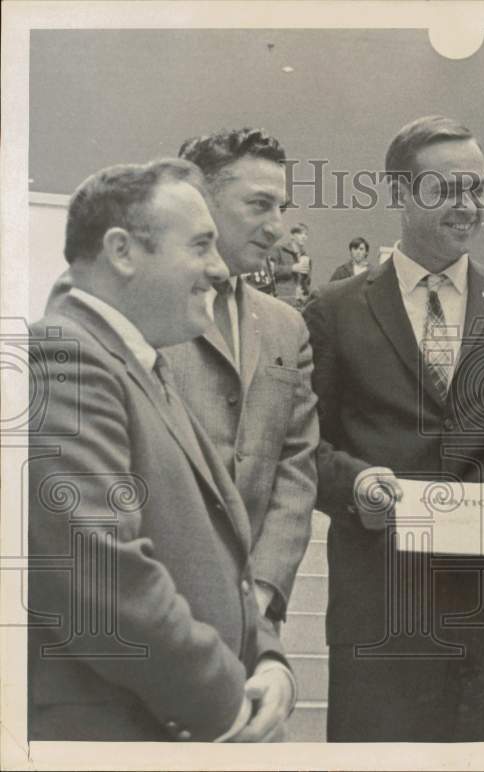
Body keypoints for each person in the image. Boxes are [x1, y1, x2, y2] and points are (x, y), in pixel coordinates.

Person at [303, 115, 484, 741]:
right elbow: (304, 450)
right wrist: (357, 485)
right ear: (401, 193)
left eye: (477, 189)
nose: (468, 206)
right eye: (447, 189)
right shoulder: (335, 309)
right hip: (381, 592)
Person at [28, 159, 290, 741]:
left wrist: (268, 659)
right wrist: (230, 704)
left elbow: (222, 559)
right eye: (201, 246)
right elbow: (101, 581)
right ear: (122, 251)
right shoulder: (64, 359)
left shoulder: (142, 365)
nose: (220, 270)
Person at [167, 128, 320, 637]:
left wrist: (265, 590)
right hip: (150, 618)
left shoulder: (286, 325)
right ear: (198, 201)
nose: (277, 228)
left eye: (282, 207)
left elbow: (296, 464)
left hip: (254, 619)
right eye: (259, 205)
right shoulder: (139, 311)